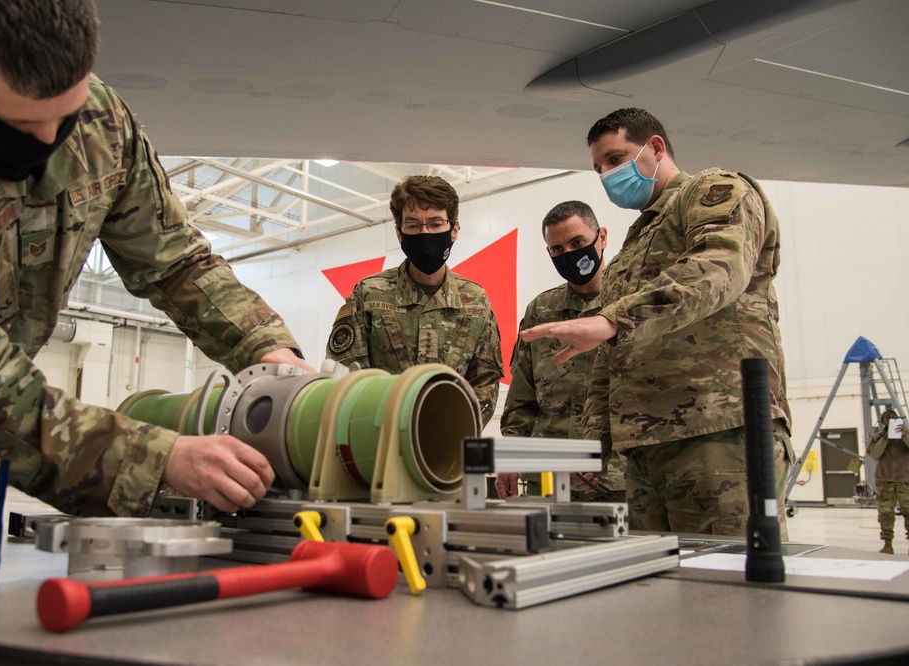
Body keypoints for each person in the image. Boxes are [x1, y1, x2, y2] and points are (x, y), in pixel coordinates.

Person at [0, 0, 316, 518]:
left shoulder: (101, 121)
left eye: (66, 114)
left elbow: (175, 262)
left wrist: (264, 346)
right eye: (17, 122)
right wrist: (157, 458)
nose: (47, 142)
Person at [521, 107, 793, 536]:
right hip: (644, 449)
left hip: (716, 433)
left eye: (615, 159)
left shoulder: (715, 191)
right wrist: (592, 450)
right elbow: (611, 359)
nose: (608, 174)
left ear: (656, 148)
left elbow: (717, 267)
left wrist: (613, 318)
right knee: (659, 588)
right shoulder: (634, 245)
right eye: (599, 168)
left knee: (728, 586)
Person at [325, 175, 504, 426]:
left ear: (453, 230)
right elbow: (345, 375)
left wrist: (457, 427)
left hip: (448, 443)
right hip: (379, 440)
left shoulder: (475, 300)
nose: (424, 233)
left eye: (434, 224)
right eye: (413, 225)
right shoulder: (369, 294)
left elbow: (485, 381)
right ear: (399, 233)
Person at [495, 201, 625, 502]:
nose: (569, 254)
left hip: (620, 479)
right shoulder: (541, 311)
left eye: (577, 242)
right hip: (548, 478)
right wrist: (511, 459)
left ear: (601, 237)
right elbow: (521, 399)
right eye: (557, 249)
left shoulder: (631, 304)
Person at [867, 408, 909, 554]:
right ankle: (887, 544)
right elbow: (874, 454)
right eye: (888, 419)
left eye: (893, 418)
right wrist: (885, 439)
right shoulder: (877, 438)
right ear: (883, 422)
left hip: (905, 480)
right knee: (885, 514)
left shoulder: (906, 435)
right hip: (884, 480)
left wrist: (904, 435)